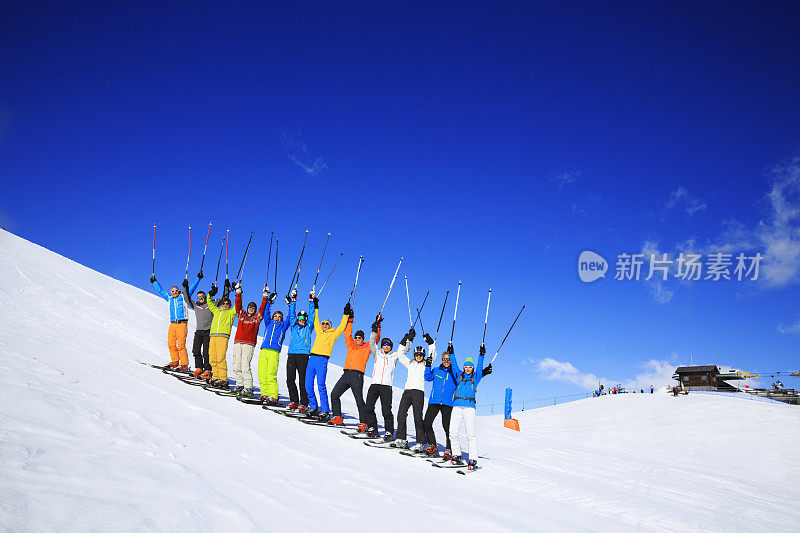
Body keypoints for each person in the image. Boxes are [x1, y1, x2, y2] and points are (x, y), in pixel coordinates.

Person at [364, 316, 412, 440]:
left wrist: (409, 339)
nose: (385, 346)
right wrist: (375, 329)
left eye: (388, 345)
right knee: (368, 407)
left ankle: (389, 431)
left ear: (391, 347)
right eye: (384, 344)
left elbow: (404, 351)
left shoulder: (394, 356)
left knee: (386, 411)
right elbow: (372, 342)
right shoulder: (377, 353)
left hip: (386, 386)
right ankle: (372, 428)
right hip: (374, 384)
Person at [305, 292, 349, 421]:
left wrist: (345, 314)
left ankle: (325, 410)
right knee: (308, 384)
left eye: (326, 324)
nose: (324, 325)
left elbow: (342, 326)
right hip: (312, 359)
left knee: (320, 385)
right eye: (323, 323)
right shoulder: (319, 331)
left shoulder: (333, 334)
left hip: (322, 360)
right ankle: (313, 406)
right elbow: (316, 320)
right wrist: (316, 307)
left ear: (330, 326)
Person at [329, 306, 373, 429]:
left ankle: (364, 422)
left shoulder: (367, 347)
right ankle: (337, 417)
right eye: (356, 337)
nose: (357, 339)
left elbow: (376, 340)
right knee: (334, 394)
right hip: (346, 374)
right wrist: (350, 319)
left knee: (359, 399)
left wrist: (377, 328)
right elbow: (347, 334)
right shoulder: (351, 345)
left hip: (357, 375)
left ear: (363, 339)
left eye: (360, 338)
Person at [391, 331, 433, 451]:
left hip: (418, 392)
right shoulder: (410, 363)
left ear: (423, 355)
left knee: (417, 417)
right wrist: (407, 339)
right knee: (401, 414)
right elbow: (400, 354)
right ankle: (401, 439)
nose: (418, 356)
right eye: (417, 354)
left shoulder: (426, 364)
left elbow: (433, 353)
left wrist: (430, 342)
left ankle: (420, 442)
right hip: (407, 391)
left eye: (420, 354)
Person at [448, 343, 489, 469]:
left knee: (470, 434)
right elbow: (453, 364)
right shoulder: (459, 375)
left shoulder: (475, 377)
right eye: (466, 366)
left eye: (470, 367)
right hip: (457, 406)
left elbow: (480, 366)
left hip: (469, 407)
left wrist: (481, 355)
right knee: (452, 432)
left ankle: (473, 459)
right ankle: (456, 455)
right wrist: (451, 352)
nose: (467, 368)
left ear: (472, 368)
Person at [150, 273, 201, 371]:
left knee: (181, 345)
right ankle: (175, 362)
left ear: (179, 291)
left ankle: (184, 365)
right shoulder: (169, 299)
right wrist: (155, 281)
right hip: (172, 324)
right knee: (171, 344)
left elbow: (192, 288)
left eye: (175, 291)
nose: (174, 292)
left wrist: (198, 278)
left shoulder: (183, 297)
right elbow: (161, 291)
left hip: (182, 324)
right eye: (172, 291)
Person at [230, 283, 269, 397]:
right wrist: (238, 292)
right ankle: (239, 385)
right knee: (236, 365)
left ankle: (248, 388)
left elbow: (262, 309)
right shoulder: (242, 315)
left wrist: (265, 296)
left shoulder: (256, 318)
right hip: (238, 342)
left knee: (245, 366)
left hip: (248, 344)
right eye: (250, 307)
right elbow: (238, 305)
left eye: (253, 308)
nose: (251, 309)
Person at [422, 339, 457, 457]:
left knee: (447, 426)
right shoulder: (437, 370)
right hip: (434, 401)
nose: (446, 361)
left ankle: (449, 449)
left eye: (448, 359)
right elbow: (427, 377)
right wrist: (428, 365)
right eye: (444, 359)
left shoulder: (455, 373)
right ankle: (433, 445)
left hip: (448, 403)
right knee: (426, 423)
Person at [256, 287, 289, 404]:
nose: (277, 318)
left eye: (280, 317)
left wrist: (290, 304)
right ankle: (265, 393)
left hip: (274, 351)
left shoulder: (283, 326)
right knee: (262, 373)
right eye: (276, 316)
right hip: (264, 349)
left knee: (271, 374)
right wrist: (269, 302)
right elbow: (266, 313)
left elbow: (290, 318)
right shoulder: (268, 323)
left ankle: (273, 395)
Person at [285, 290, 315, 411]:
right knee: (290, 378)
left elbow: (312, 315)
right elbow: (291, 314)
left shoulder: (308, 327)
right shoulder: (294, 326)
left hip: (303, 355)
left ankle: (304, 402)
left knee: (303, 380)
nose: (301, 320)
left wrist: (311, 301)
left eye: (304, 318)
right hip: (292, 354)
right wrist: (293, 300)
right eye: (299, 318)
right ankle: (294, 400)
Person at [181, 272, 214, 378]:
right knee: (195, 350)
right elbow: (186, 298)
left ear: (205, 297)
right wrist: (185, 287)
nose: (201, 299)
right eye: (199, 297)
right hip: (198, 331)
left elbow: (223, 300)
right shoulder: (196, 306)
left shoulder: (211, 305)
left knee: (206, 352)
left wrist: (223, 288)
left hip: (208, 331)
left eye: (202, 297)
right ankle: (199, 368)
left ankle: (208, 370)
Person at [206, 283, 237, 388]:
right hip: (213, 336)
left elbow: (238, 304)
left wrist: (238, 292)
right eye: (223, 303)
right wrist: (210, 294)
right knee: (212, 358)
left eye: (227, 304)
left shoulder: (231, 313)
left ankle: (222, 378)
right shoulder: (217, 311)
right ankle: (216, 376)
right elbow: (209, 303)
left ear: (229, 305)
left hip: (223, 337)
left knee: (220, 357)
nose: (225, 305)